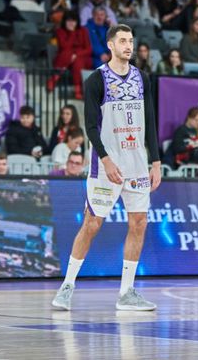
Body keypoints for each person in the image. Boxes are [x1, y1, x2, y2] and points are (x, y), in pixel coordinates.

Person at [51, 24, 162, 312]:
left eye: (131, 40)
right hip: (106, 166)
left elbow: (150, 120)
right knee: (92, 223)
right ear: (111, 45)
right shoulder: (97, 79)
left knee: (139, 223)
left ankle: (127, 292)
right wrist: (106, 159)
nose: (129, 45)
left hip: (137, 165)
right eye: (123, 40)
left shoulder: (142, 78)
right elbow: (89, 125)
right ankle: (67, 285)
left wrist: (156, 161)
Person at [50, 12, 92, 99]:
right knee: (67, 54)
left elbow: (88, 49)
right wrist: (72, 33)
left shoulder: (83, 30)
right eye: (68, 21)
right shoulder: (60, 31)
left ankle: (55, 77)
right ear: (64, 21)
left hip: (82, 57)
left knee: (77, 61)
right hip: (65, 56)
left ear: (77, 22)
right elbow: (64, 47)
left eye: (73, 21)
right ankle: (78, 89)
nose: (71, 23)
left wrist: (76, 54)